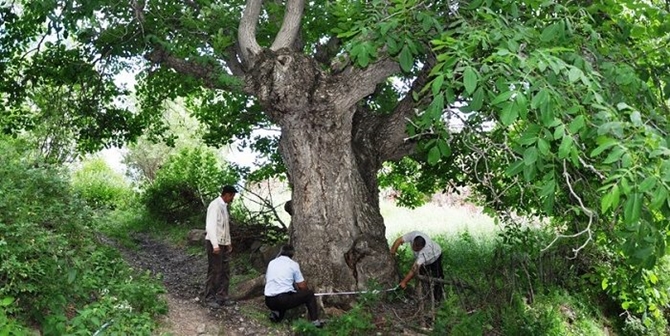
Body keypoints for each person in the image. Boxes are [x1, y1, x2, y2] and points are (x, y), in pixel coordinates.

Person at [264, 244, 323, 328]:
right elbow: (302, 285)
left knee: (285, 295)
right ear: (292, 254)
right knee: (309, 294)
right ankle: (315, 322)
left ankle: (276, 315)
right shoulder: (293, 264)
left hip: (269, 300)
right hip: (283, 299)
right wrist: (303, 293)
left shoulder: (272, 262)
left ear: (281, 252)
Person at [204, 185, 237, 308]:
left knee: (225, 270)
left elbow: (225, 227)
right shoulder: (215, 206)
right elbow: (210, 227)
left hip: (223, 243)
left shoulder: (224, 207)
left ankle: (222, 296)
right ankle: (209, 298)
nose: (232, 198)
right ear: (227, 194)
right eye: (232, 196)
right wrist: (215, 245)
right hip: (215, 243)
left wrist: (228, 243)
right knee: (215, 271)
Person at [390, 231, 444, 301]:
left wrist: (404, 282)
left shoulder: (425, 251)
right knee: (422, 275)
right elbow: (399, 240)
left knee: (437, 276)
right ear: (414, 241)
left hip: (435, 255)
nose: (415, 249)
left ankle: (437, 297)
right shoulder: (414, 234)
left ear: (422, 248)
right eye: (414, 246)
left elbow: (414, 268)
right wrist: (392, 252)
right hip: (423, 259)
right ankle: (424, 293)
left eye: (418, 249)